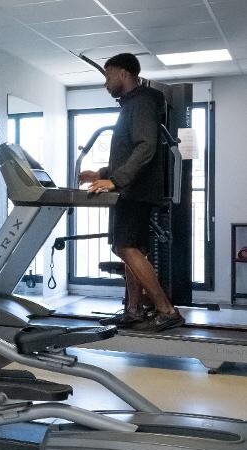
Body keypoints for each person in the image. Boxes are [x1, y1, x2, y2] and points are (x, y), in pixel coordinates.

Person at [78, 53, 184, 332]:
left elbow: (146, 147)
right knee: (131, 249)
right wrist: (102, 174)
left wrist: (117, 181)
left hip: (135, 190)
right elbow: (130, 151)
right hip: (131, 187)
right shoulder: (133, 105)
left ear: (124, 74)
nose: (106, 83)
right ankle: (134, 310)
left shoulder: (141, 103)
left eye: (108, 76)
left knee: (124, 247)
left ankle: (166, 310)